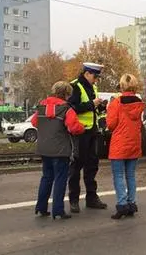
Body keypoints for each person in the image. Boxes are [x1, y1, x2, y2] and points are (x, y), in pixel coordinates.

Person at [31, 81, 85, 220]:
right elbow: (74, 128)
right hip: (61, 150)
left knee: (46, 177)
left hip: (44, 148)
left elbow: (34, 122)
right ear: (67, 94)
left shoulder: (41, 107)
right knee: (60, 179)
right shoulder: (66, 109)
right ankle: (58, 210)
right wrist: (82, 127)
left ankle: (41, 208)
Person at [68, 62, 108, 213]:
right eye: (95, 76)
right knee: (76, 166)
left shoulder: (93, 87)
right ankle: (74, 200)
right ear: (87, 73)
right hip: (79, 132)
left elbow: (92, 108)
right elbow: (72, 108)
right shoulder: (75, 86)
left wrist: (100, 106)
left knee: (92, 165)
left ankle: (91, 197)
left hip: (92, 131)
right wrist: (92, 104)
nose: (96, 80)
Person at [106, 74, 145, 219]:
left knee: (118, 175)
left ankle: (122, 204)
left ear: (122, 86)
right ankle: (131, 203)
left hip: (119, 144)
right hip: (134, 143)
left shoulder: (116, 102)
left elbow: (111, 124)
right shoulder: (139, 103)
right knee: (130, 175)